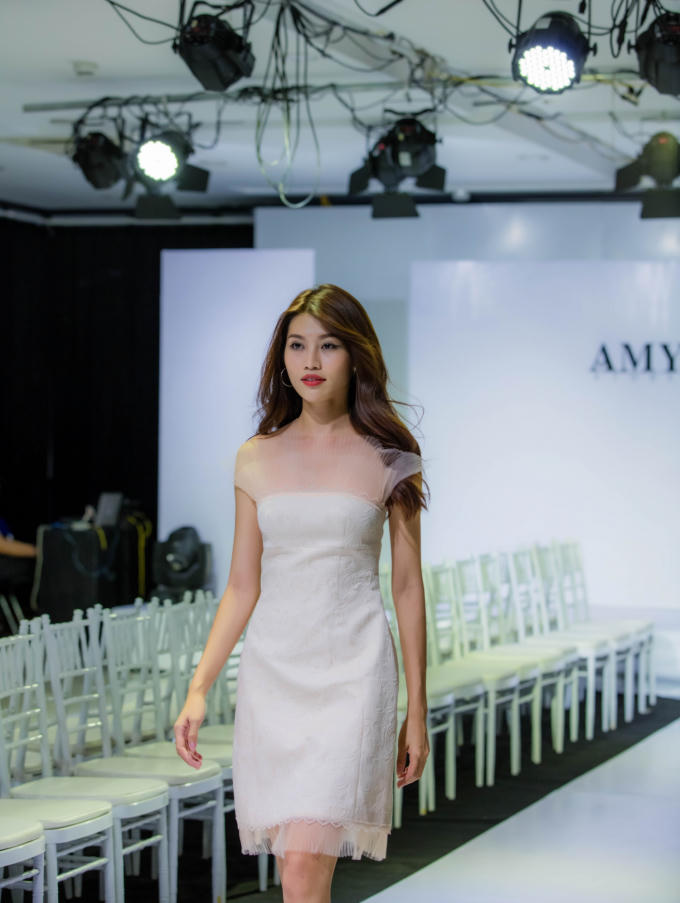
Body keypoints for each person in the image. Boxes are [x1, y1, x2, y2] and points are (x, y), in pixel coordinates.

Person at [174, 283, 430, 903]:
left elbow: (406, 585)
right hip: (273, 675)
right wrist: (199, 687)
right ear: (281, 357)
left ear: (356, 355)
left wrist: (418, 708)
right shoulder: (255, 457)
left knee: (306, 863)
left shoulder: (390, 456)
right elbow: (242, 585)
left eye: (329, 345)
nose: (310, 361)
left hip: (354, 673)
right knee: (294, 859)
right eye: (296, 345)